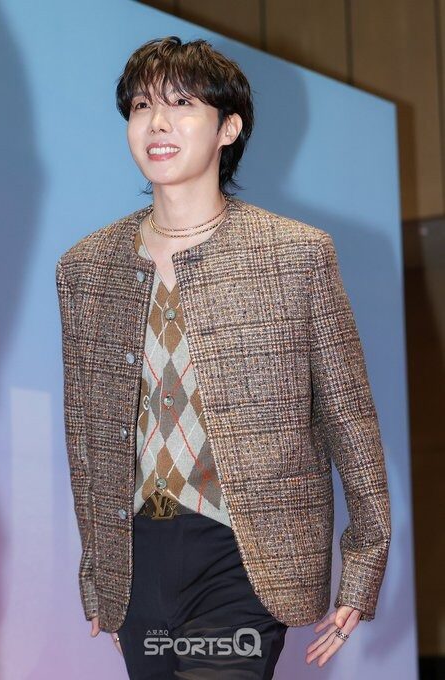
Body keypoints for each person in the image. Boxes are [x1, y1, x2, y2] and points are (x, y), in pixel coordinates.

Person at [55, 35, 392, 678]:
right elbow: (86, 437)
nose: (157, 122)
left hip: (246, 558)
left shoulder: (295, 254)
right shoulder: (86, 268)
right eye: (142, 106)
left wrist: (364, 562)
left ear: (228, 128)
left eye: (182, 104)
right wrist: (99, 574)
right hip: (139, 559)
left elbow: (348, 418)